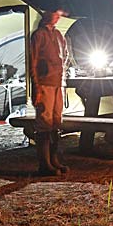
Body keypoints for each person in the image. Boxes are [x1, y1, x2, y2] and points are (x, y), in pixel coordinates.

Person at [31, 9, 70, 175]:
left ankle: (54, 160)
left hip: (58, 83)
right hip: (45, 83)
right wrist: (36, 86)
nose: (58, 18)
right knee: (44, 123)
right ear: (47, 14)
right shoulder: (38, 35)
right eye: (55, 14)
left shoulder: (59, 35)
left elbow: (65, 55)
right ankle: (44, 164)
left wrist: (63, 74)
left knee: (56, 122)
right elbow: (32, 61)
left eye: (59, 15)